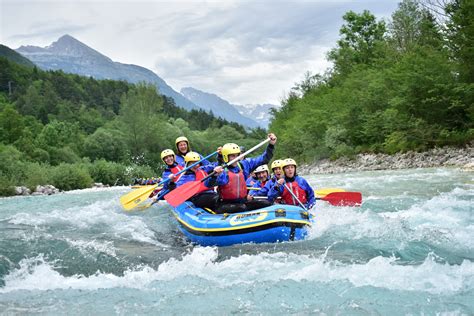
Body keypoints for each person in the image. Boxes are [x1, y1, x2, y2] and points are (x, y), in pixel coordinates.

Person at [205, 133, 277, 213]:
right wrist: (214, 175)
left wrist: (271, 145)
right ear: (225, 157)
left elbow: (263, 159)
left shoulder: (244, 165)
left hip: (242, 202)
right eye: (232, 156)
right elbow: (208, 184)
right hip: (225, 205)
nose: (236, 158)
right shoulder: (222, 171)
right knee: (241, 208)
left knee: (267, 203)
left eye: (237, 155)